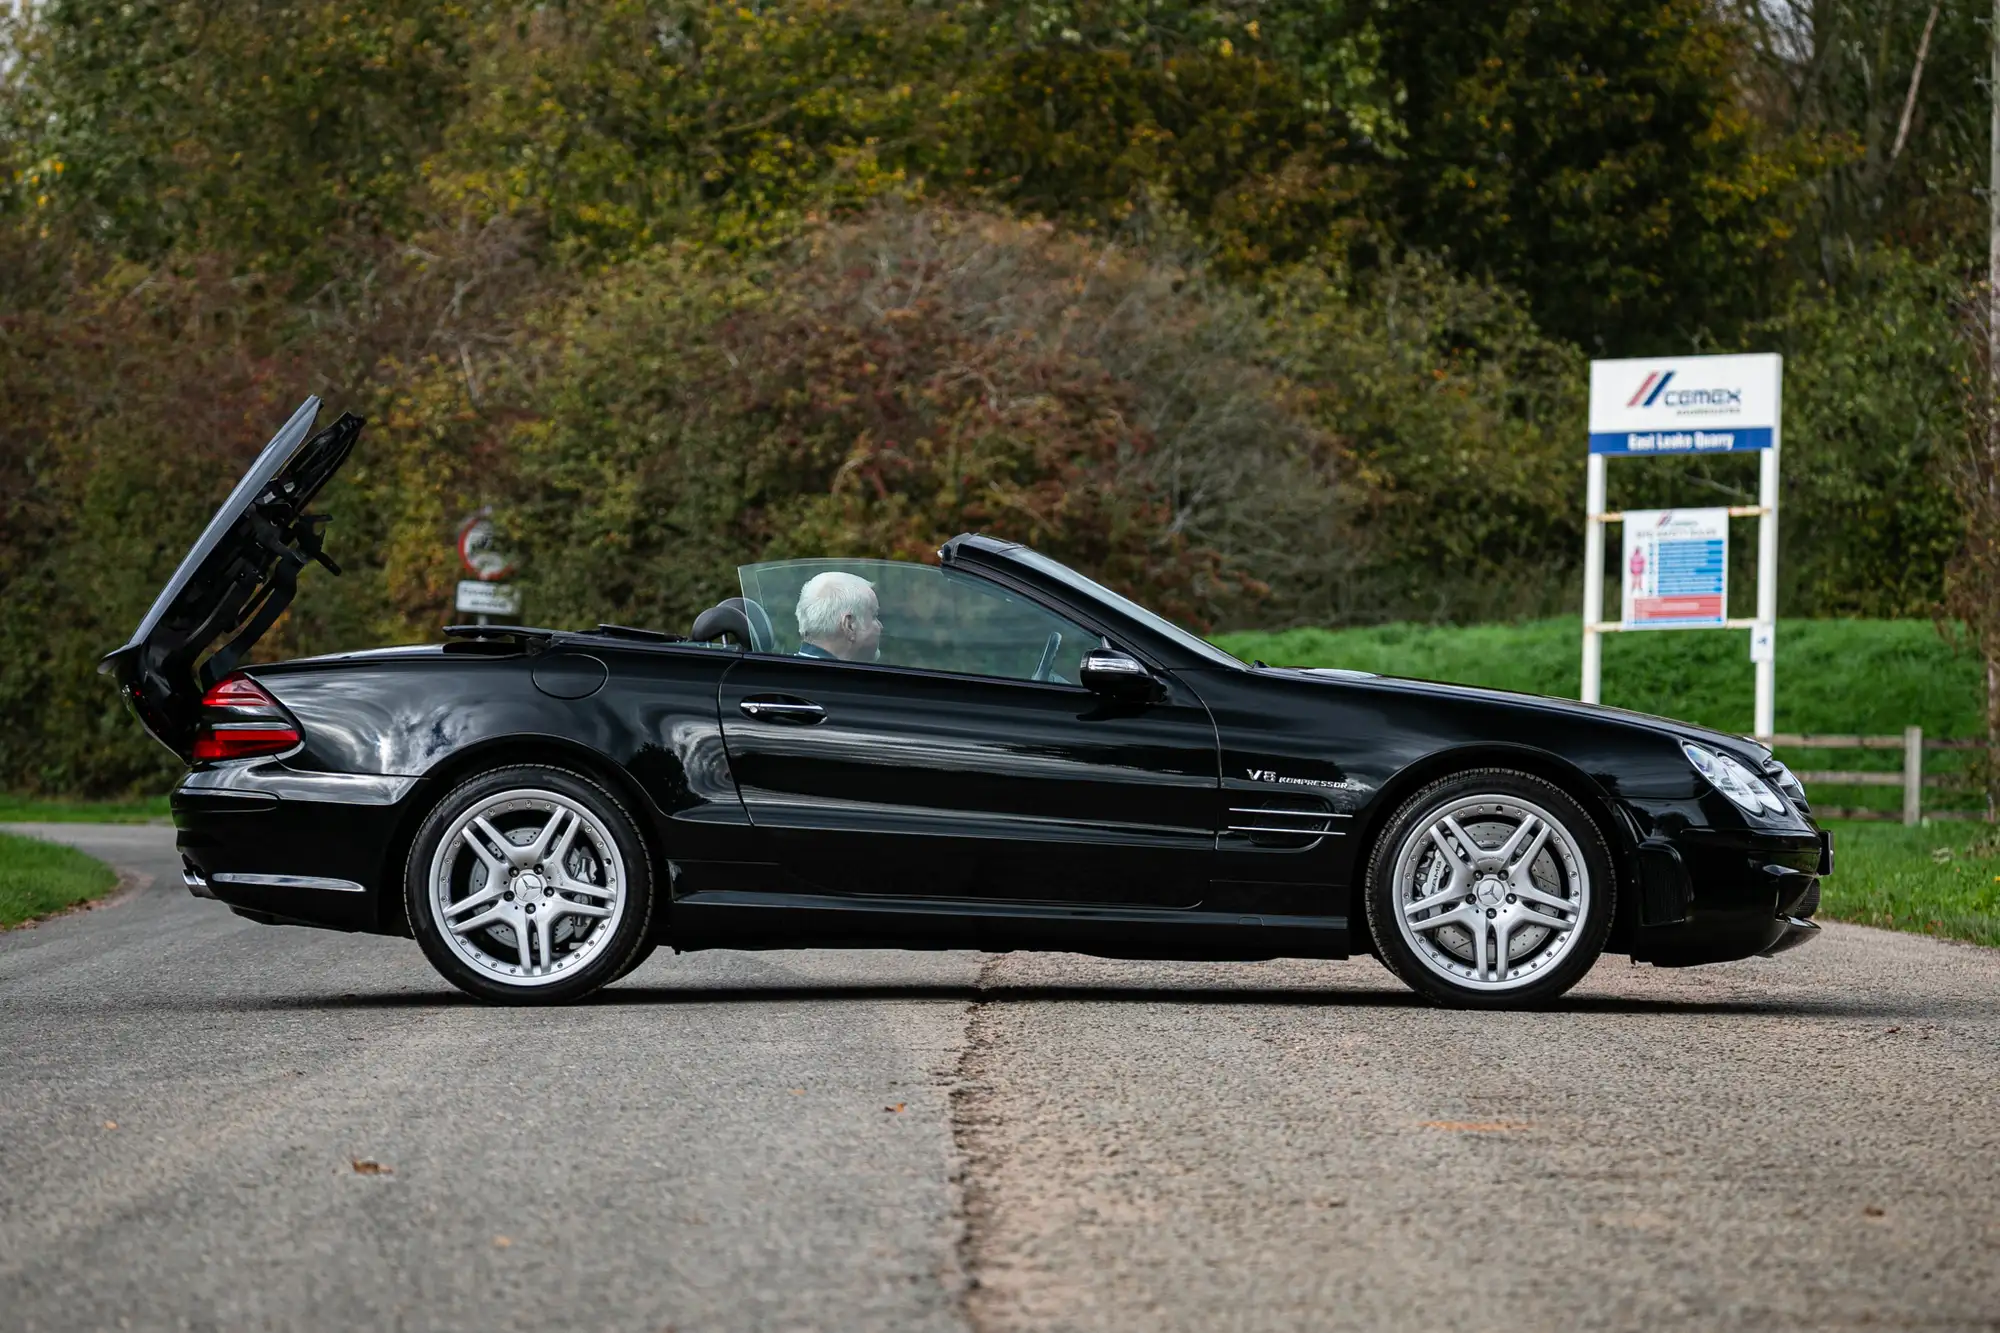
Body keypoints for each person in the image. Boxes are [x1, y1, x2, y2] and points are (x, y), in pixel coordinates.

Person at [794, 570, 883, 662]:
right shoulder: (838, 676)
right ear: (850, 626)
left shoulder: (782, 669)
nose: (880, 626)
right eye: (874, 616)